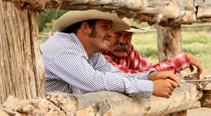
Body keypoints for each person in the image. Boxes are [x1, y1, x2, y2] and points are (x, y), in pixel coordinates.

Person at [41, 9, 181, 98]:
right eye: (105, 26)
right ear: (86, 27)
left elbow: (116, 75)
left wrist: (150, 76)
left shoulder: (91, 53)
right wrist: (150, 87)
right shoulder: (63, 49)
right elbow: (95, 82)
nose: (110, 33)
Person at [102, 18, 203, 77]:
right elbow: (128, 77)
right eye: (117, 34)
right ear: (108, 34)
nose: (122, 41)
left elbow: (148, 71)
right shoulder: (98, 55)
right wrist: (180, 61)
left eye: (128, 35)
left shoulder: (128, 50)